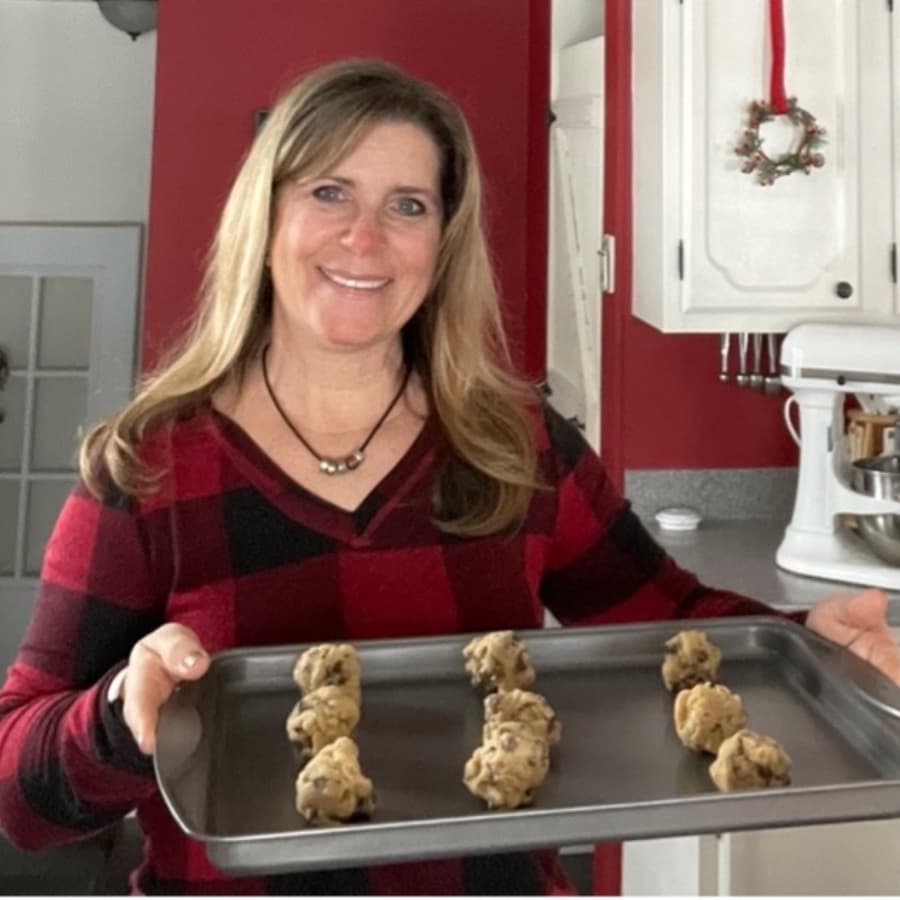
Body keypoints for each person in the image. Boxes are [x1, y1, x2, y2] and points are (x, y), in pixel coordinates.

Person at [0, 57, 897, 896]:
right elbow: (18, 794)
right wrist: (116, 718)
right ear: (264, 218)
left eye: (408, 206)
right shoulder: (150, 468)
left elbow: (668, 621)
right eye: (328, 191)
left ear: (442, 241)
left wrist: (813, 642)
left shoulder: (515, 443)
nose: (364, 237)